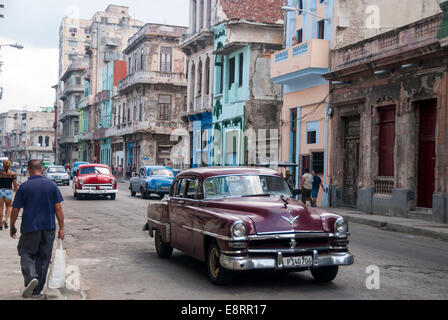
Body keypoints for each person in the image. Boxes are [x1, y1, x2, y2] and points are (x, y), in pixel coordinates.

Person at [9, 160, 65, 299]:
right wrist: (62, 228)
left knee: (26, 253)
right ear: (42, 169)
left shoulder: (25, 187)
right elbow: (58, 208)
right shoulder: (52, 185)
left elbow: (15, 209)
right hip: (48, 229)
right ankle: (36, 291)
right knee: (43, 259)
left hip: (29, 228)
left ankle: (31, 277)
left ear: (28, 170)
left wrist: (12, 226)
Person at [0, 160, 19, 230]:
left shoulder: (0, 173)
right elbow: (15, 185)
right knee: (8, 207)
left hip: (0, 191)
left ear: (3, 165)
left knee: (0, 208)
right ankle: (5, 219)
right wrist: (15, 190)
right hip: (8, 191)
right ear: (9, 166)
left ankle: (0, 224)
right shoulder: (12, 174)